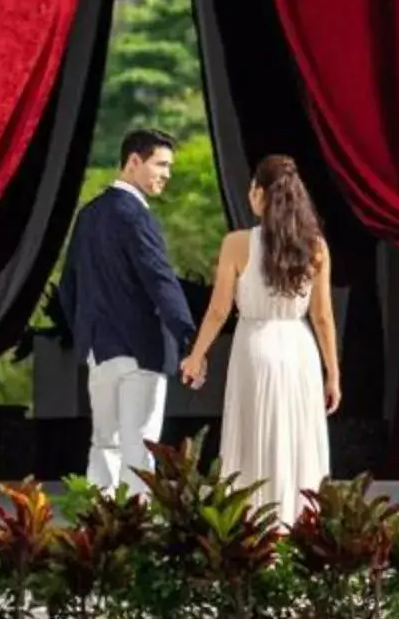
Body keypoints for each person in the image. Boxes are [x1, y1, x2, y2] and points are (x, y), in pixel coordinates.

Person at [180, 153, 339, 524]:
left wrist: (196, 355)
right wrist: (333, 373)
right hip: (299, 349)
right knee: (297, 439)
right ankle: (299, 523)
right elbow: (322, 316)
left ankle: (254, 524)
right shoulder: (315, 246)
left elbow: (219, 310)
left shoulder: (236, 243)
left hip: (255, 346)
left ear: (259, 194)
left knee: (254, 437)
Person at [54, 128, 195, 494]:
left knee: (104, 444)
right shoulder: (136, 216)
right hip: (141, 351)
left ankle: (100, 535)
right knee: (140, 449)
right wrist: (189, 338)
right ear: (133, 162)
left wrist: (85, 333)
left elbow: (68, 286)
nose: (167, 174)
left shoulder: (88, 214)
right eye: (160, 164)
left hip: (99, 352)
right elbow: (161, 281)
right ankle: (136, 533)